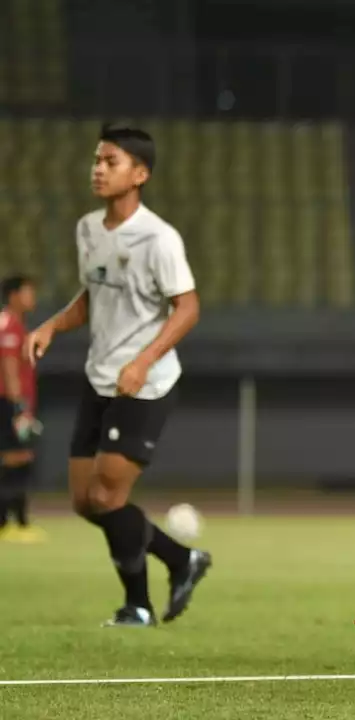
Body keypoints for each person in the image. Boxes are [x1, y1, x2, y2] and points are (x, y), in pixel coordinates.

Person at [24, 125, 211, 627]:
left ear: (140, 173)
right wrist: (51, 325)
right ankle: (180, 560)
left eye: (111, 161)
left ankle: (139, 606)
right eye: (96, 160)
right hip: (99, 376)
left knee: (108, 496)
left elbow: (188, 307)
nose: (98, 168)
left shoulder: (158, 238)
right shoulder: (88, 229)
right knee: (85, 502)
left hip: (145, 384)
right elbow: (93, 296)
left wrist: (143, 360)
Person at [0, 274, 44, 542]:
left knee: (20, 456)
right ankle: (11, 523)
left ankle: (16, 522)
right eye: (28, 292)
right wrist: (19, 406)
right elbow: (9, 366)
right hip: (8, 402)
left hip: (13, 402)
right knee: (14, 458)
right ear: (14, 295)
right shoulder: (9, 325)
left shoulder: (15, 324)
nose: (32, 297)